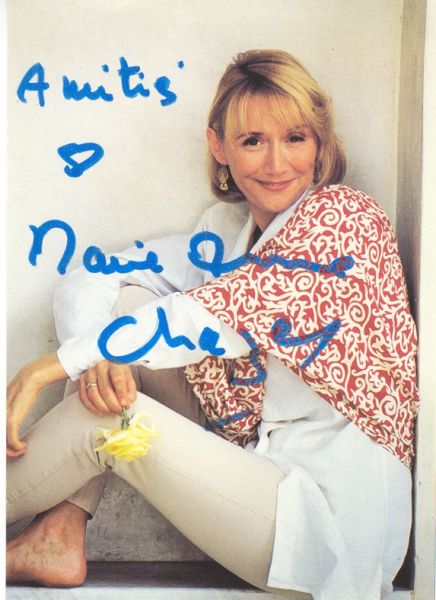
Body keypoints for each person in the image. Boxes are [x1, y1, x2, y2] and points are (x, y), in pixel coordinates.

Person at [6, 49, 419, 599]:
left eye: (295, 138)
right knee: (127, 311)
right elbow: (94, 275)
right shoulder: (224, 231)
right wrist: (99, 357)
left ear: (320, 143)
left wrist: (57, 364)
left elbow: (216, 315)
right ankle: (57, 535)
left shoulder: (347, 219)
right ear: (220, 147)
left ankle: (53, 531)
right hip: (251, 473)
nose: (277, 163)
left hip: (321, 524)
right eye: (253, 141)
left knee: (103, 417)